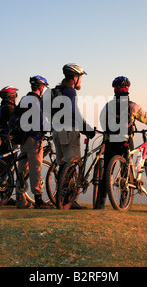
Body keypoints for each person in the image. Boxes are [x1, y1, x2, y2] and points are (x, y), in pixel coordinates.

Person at [97, 76, 147, 209]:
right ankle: (124, 202)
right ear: (127, 89)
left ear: (115, 90)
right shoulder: (132, 106)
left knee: (107, 172)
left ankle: (100, 204)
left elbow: (102, 120)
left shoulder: (108, 106)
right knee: (125, 172)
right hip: (125, 142)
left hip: (110, 142)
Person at [51, 63, 95, 210]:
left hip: (56, 132)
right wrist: (86, 128)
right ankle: (69, 200)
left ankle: (61, 198)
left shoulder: (57, 90)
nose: (81, 80)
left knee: (63, 165)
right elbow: (73, 112)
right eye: (80, 77)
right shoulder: (70, 91)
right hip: (68, 131)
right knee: (72, 163)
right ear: (75, 77)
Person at [15, 75, 52, 209]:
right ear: (41, 87)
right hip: (34, 139)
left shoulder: (24, 100)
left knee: (22, 170)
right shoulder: (37, 101)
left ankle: (21, 200)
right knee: (35, 168)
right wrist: (52, 127)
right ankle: (38, 200)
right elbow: (42, 122)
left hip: (22, 139)